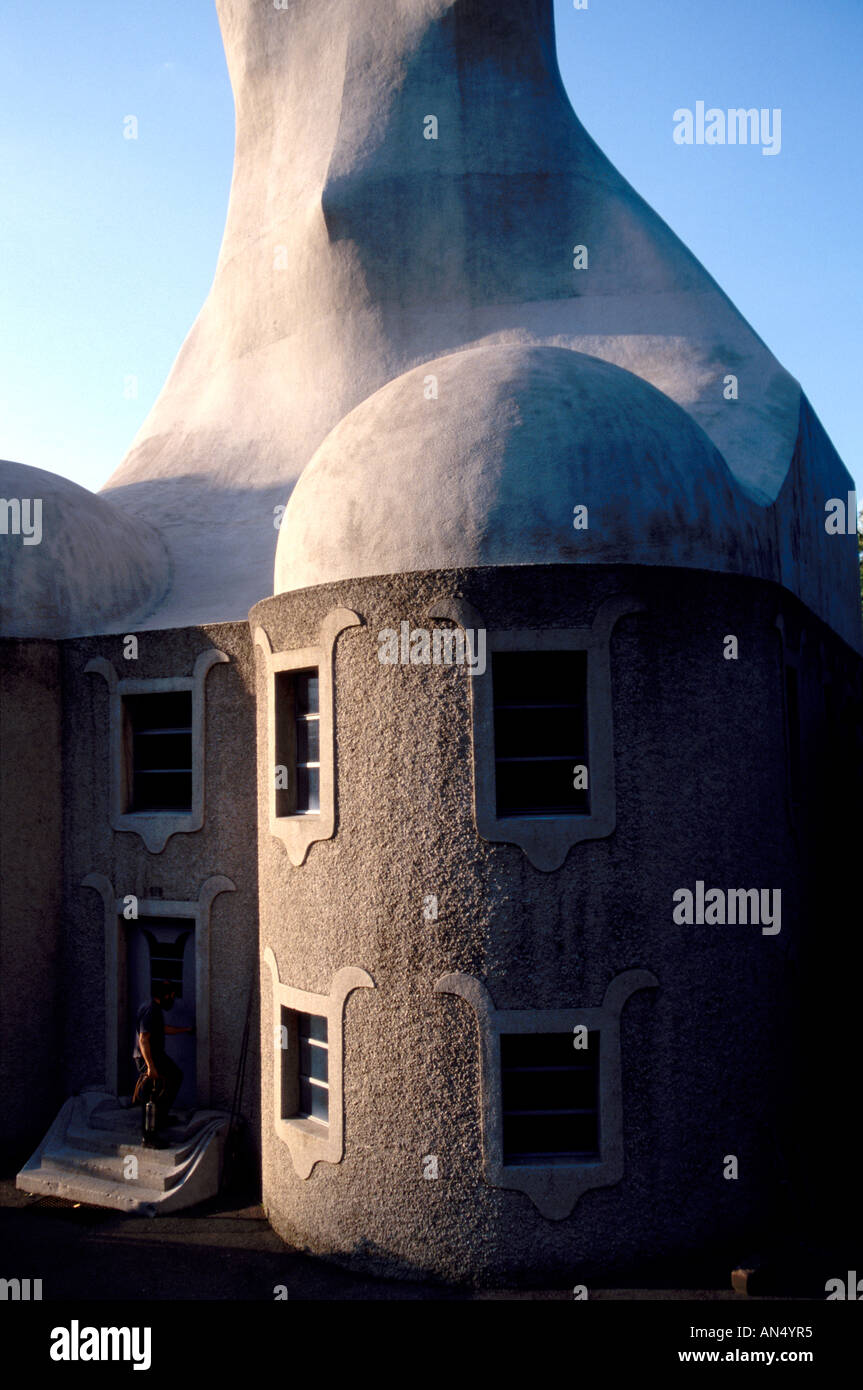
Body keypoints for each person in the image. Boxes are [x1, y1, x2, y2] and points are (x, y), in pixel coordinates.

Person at [132, 981, 194, 1138]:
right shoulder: (150, 1010)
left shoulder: (154, 1009)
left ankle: (161, 1118)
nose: (172, 1001)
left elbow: (162, 1029)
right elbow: (143, 1039)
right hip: (148, 1057)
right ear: (165, 996)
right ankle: (149, 1136)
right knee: (151, 1094)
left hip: (155, 1056)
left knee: (173, 1078)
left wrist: (185, 1030)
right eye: (172, 997)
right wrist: (150, 1066)